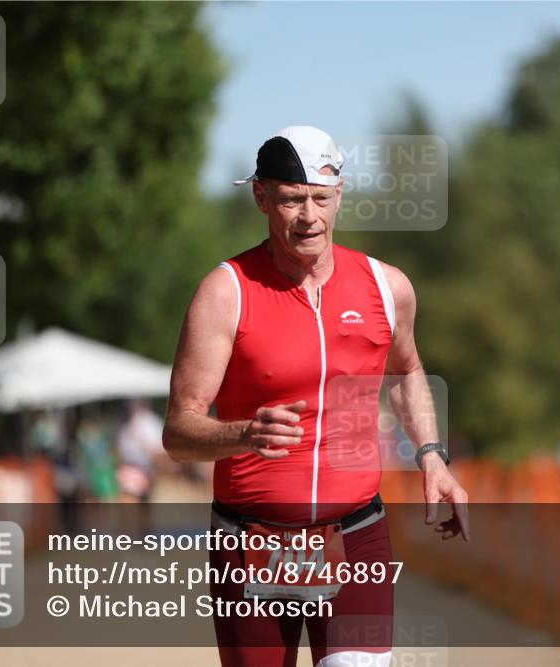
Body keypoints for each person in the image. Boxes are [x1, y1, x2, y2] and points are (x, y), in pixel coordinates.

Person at [163, 126, 469, 667]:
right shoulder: (226, 290)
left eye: (321, 199)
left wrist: (432, 457)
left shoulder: (386, 286)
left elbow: (408, 369)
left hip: (356, 537)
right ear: (261, 197)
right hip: (251, 544)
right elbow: (179, 431)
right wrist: (241, 433)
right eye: (291, 199)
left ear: (340, 195)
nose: (309, 217)